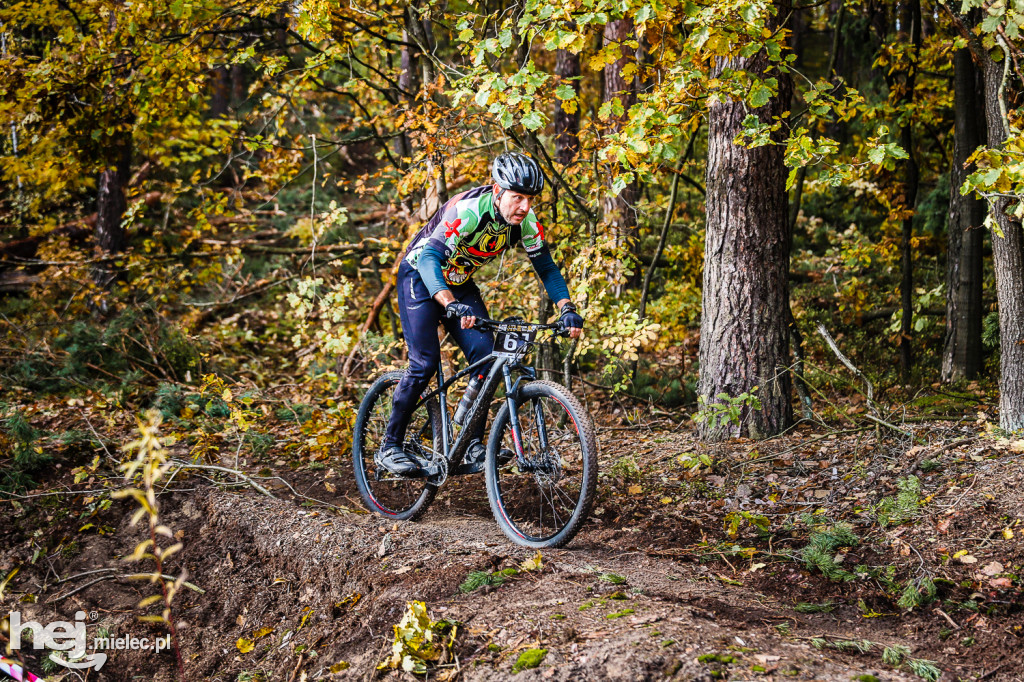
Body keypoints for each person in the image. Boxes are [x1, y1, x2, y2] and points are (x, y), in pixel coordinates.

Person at [378, 151, 584, 476]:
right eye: (517, 198)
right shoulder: (470, 210)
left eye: (529, 199)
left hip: (459, 281)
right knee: (424, 363)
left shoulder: (525, 223)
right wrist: (448, 303)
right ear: (497, 190)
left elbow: (546, 266)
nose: (525, 207)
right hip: (420, 275)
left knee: (487, 357)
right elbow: (431, 257)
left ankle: (471, 443)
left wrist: (567, 308)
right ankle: (390, 446)